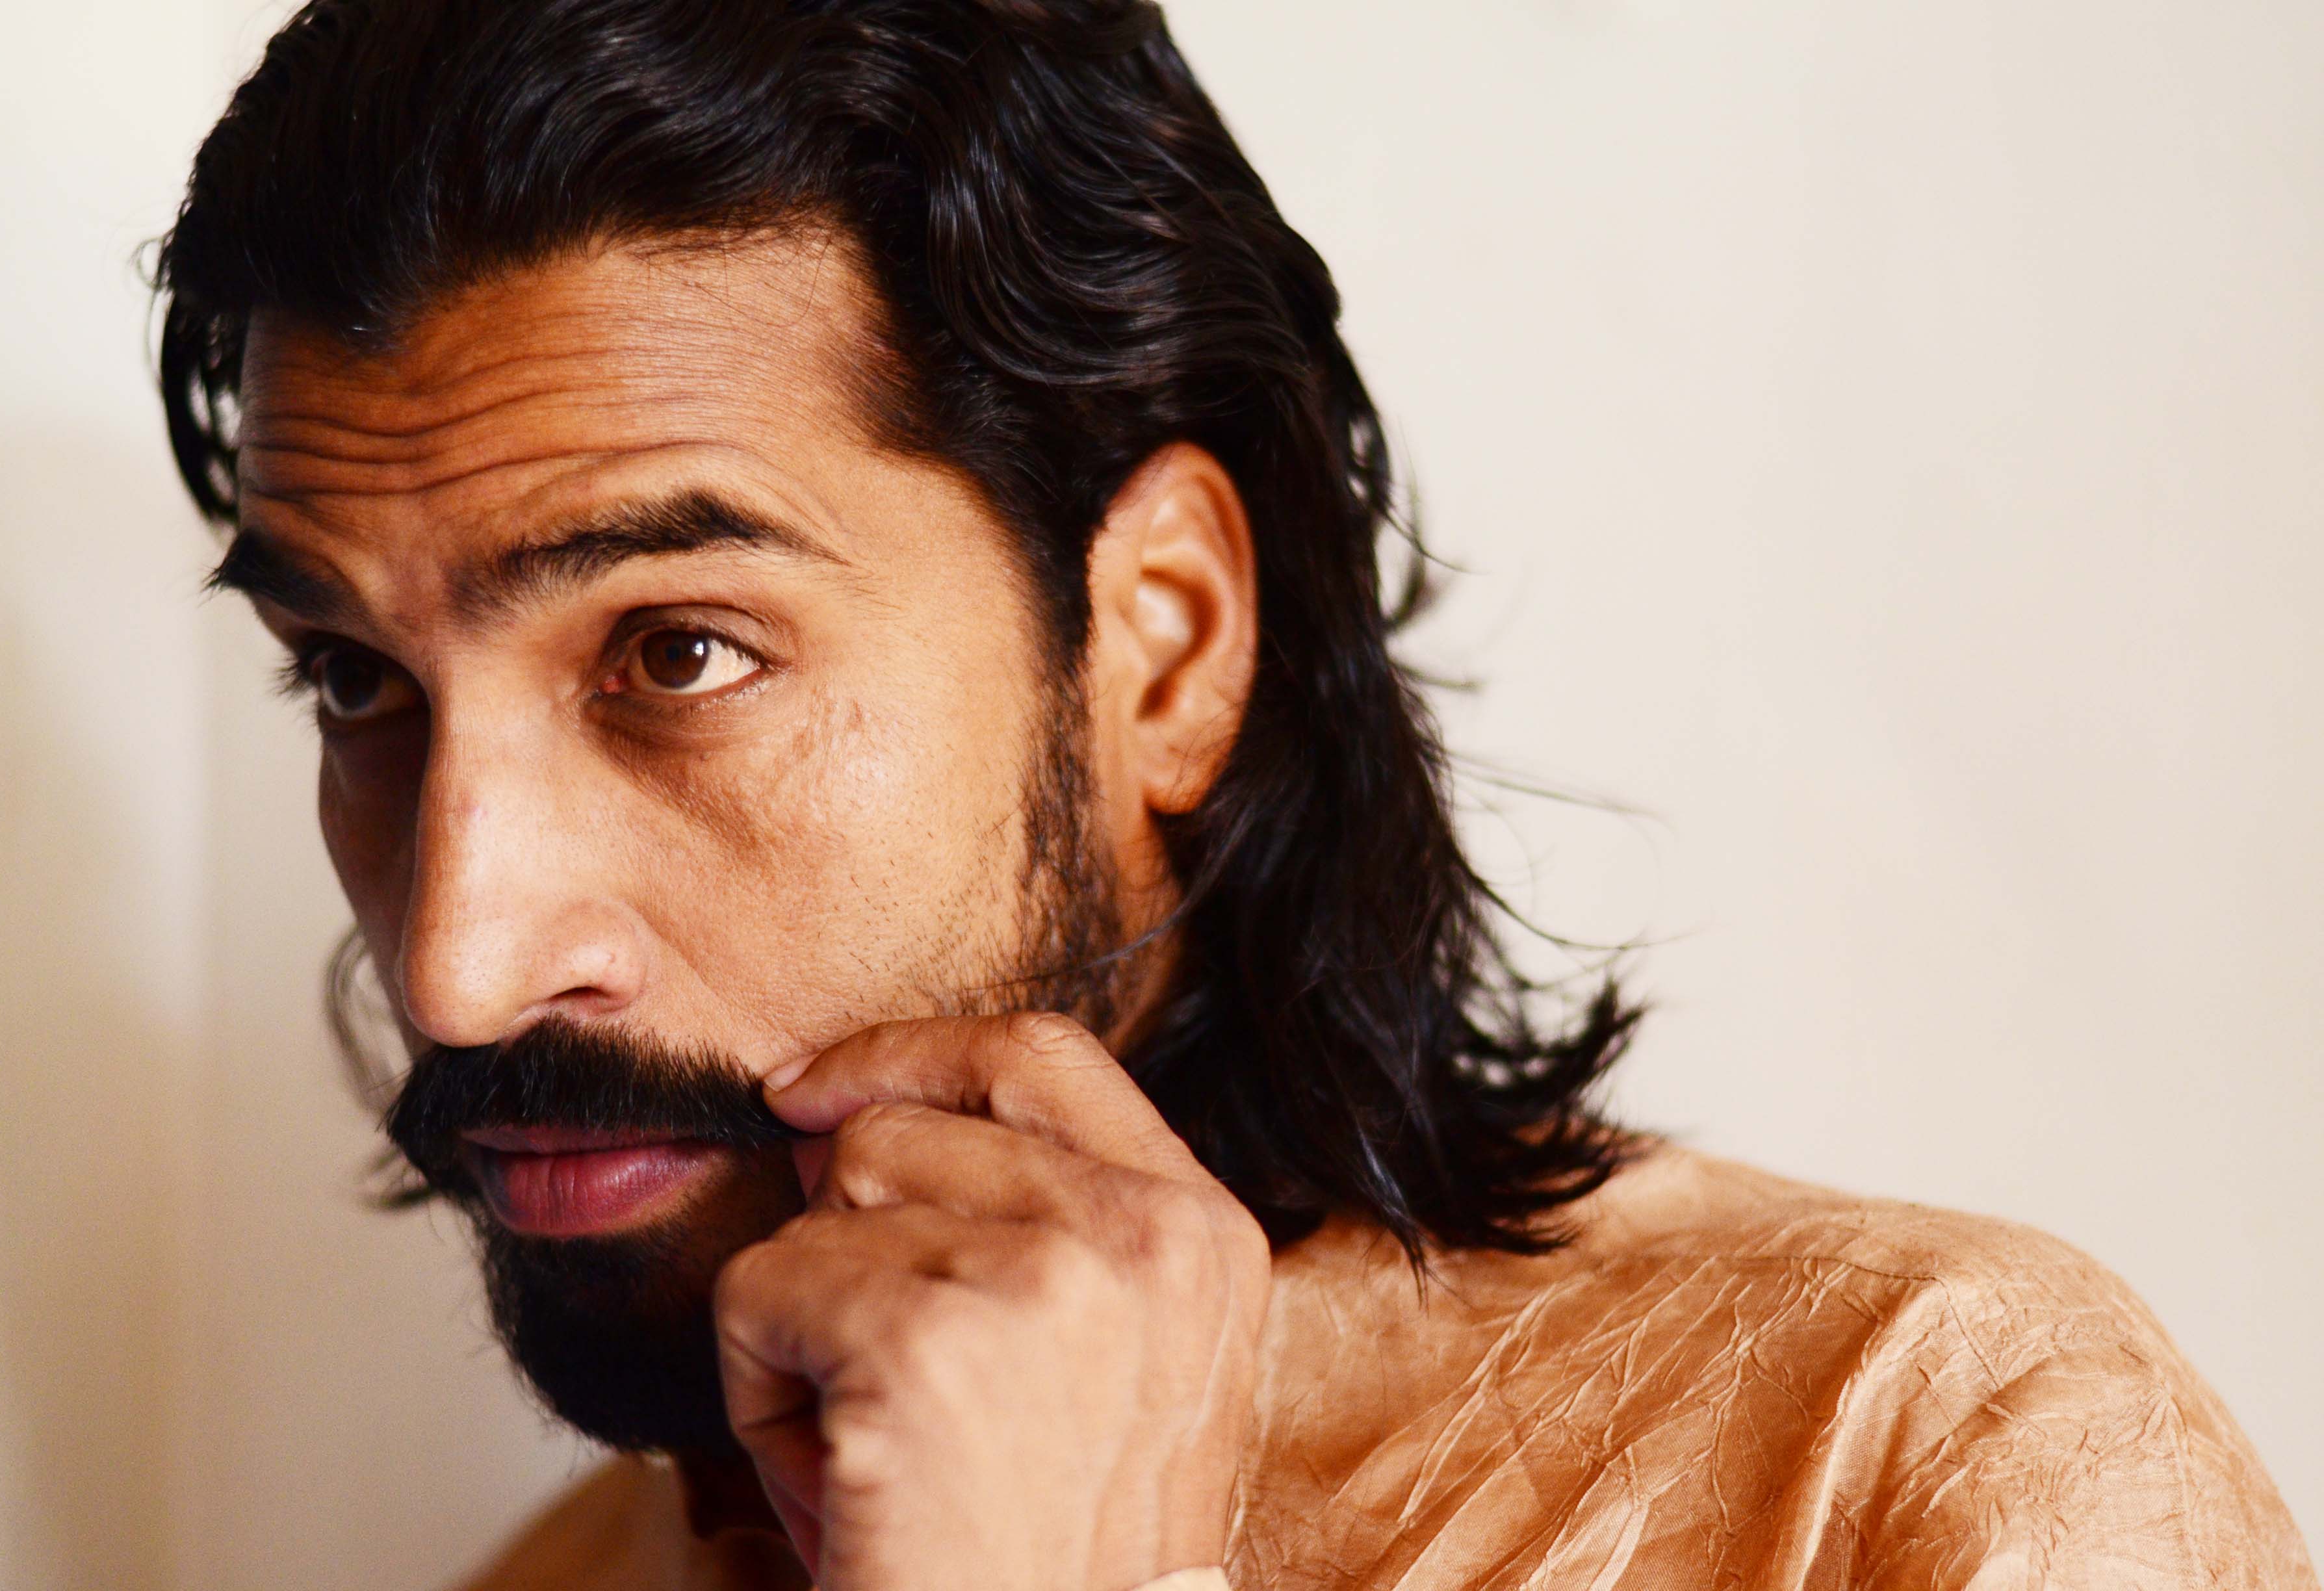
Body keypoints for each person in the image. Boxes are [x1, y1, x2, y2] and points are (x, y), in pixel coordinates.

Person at [154, 1, 2315, 1586]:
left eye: (678, 654)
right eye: (355, 678)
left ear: (1161, 647)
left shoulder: (1920, 1465)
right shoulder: (560, 1582)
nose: (456, 963)